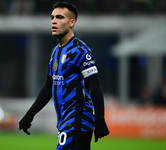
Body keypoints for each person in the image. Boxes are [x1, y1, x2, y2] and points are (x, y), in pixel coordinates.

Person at [19, 1, 109, 150]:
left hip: (78, 119)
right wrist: (30, 114)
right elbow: (48, 87)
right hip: (64, 122)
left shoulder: (81, 51)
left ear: (72, 22)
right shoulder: (55, 52)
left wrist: (100, 120)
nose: (54, 21)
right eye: (52, 17)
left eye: (60, 17)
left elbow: (95, 86)